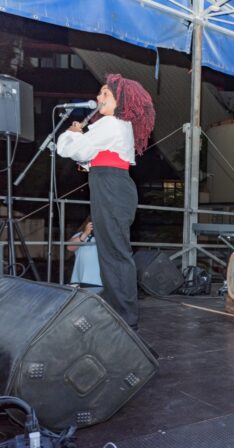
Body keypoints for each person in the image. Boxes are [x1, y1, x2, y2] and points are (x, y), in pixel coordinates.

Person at [57, 74, 155, 330]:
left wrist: (71, 134)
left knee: (115, 253)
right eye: (99, 93)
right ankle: (117, 309)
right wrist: (80, 139)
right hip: (110, 185)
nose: (98, 98)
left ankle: (125, 317)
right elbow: (89, 158)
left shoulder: (112, 123)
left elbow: (73, 150)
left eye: (105, 94)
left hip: (111, 187)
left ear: (120, 100)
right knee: (111, 252)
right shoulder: (115, 126)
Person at [66, 216, 102, 287]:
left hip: (101, 282)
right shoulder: (81, 235)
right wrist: (85, 233)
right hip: (81, 281)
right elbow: (69, 247)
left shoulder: (107, 236)